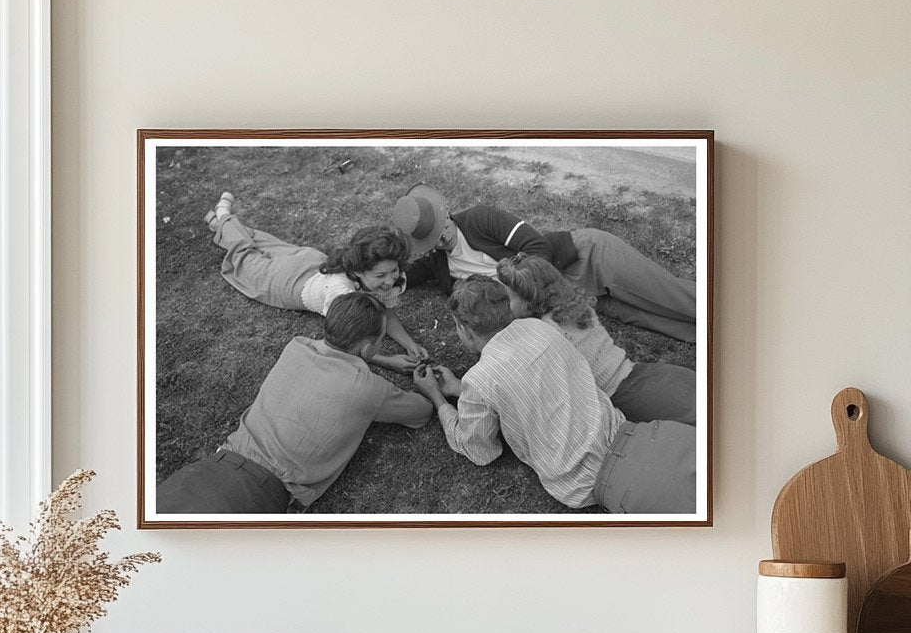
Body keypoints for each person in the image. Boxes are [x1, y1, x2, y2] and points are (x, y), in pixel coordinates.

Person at [411, 277, 696, 514]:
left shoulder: (480, 379)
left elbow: (481, 451)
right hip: (650, 436)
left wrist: (438, 399)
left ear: (464, 329)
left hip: (604, 481)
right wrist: (460, 388)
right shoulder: (539, 328)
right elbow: (526, 379)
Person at [157, 293, 433, 514]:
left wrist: (378, 360)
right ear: (367, 348)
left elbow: (339, 354)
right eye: (381, 340)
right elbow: (421, 413)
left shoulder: (297, 345)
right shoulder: (367, 388)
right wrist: (429, 389)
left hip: (207, 469)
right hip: (258, 494)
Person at [393, 183, 697, 343]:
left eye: (443, 229)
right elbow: (406, 274)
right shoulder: (438, 264)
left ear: (445, 213)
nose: (443, 240)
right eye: (433, 241)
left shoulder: (479, 218)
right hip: (567, 300)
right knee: (646, 318)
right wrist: (386, 279)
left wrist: (524, 296)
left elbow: (537, 246)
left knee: (671, 296)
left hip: (584, 259)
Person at [207, 192, 433, 371]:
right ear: (358, 271)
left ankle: (220, 225)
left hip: (310, 262)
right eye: (380, 276)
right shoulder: (341, 295)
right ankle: (222, 215)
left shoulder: (389, 281)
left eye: (393, 270)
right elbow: (344, 347)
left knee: (262, 241)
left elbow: (389, 315)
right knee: (244, 257)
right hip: (289, 284)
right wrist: (390, 362)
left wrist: (410, 344)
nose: (390, 281)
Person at [494, 253, 696, 425]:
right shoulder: (574, 306)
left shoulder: (544, 333)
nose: (503, 303)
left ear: (529, 300)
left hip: (624, 396)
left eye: (508, 298)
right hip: (647, 373)